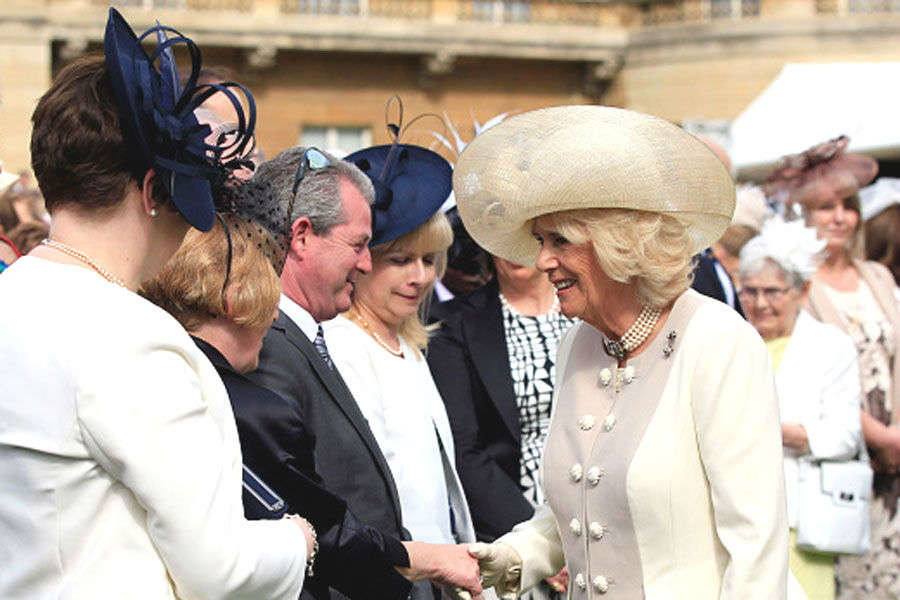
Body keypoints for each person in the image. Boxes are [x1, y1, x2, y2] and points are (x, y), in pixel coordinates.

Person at [0, 9, 314, 599]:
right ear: (150, 193)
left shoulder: (12, 296)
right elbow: (220, 571)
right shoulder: (129, 334)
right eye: (181, 202)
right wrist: (297, 541)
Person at [450, 105, 788, 599]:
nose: (543, 260)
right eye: (541, 240)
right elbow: (584, 502)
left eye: (560, 240)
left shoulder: (717, 341)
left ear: (619, 245)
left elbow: (757, 549)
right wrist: (517, 554)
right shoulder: (579, 345)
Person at [141, 208, 483, 600]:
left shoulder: (164, 375)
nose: (274, 315)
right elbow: (317, 531)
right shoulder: (248, 405)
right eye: (268, 290)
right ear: (235, 299)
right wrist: (299, 538)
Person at [246, 145, 481, 600]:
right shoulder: (273, 345)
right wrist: (423, 560)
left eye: (429, 261)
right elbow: (308, 510)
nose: (367, 262)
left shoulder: (316, 338)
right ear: (301, 237)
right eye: (359, 246)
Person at [774, 137, 900, 599]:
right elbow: (817, 376)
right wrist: (881, 438)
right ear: (802, 216)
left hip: (895, 464)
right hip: (840, 463)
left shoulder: (877, 276)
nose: (839, 217)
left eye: (847, 205)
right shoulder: (799, 287)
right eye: (825, 207)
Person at [428, 255, 576, 597]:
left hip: (597, 525)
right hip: (510, 537)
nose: (513, 251)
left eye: (527, 239)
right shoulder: (454, 323)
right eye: (501, 240)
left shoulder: (588, 314)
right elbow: (464, 451)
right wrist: (541, 546)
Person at [739, 217, 863, 600]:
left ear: (802, 290)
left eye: (774, 292)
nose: (761, 304)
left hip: (801, 519)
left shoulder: (830, 346)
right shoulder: (731, 341)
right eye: (750, 291)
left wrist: (774, 432)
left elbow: (845, 435)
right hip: (739, 514)